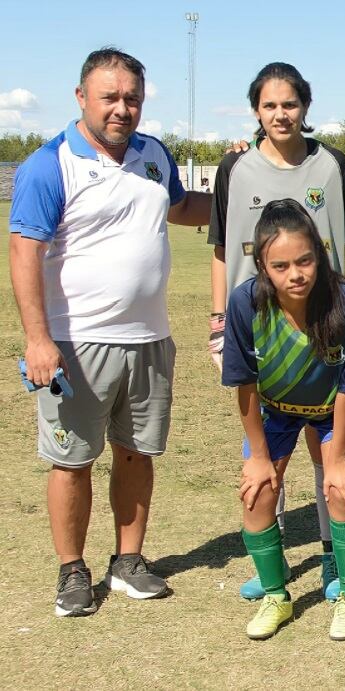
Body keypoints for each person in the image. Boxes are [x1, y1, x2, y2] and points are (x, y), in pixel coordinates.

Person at [9, 47, 210, 617]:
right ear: (81, 98)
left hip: (149, 338)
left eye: (132, 99)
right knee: (72, 460)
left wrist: (243, 198)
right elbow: (25, 252)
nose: (122, 108)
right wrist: (38, 339)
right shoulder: (50, 164)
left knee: (136, 454)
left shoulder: (153, 154)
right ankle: (72, 571)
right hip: (76, 343)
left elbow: (181, 206)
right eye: (110, 97)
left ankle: (129, 560)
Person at [208, 62, 345, 602]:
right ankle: (269, 565)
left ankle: (331, 558)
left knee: (332, 457)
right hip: (261, 329)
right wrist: (217, 321)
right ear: (256, 110)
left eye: (290, 104)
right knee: (263, 457)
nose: (281, 114)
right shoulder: (235, 167)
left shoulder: (332, 164)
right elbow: (222, 249)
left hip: (324, 327)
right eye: (270, 105)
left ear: (305, 108)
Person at [223, 199, 345, 640]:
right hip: (276, 411)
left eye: (305, 260)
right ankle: (276, 596)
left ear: (320, 255)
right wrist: (258, 457)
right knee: (257, 492)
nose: (296, 274)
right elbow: (245, 385)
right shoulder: (246, 304)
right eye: (281, 265)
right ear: (263, 266)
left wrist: (340, 458)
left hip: (335, 410)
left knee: (340, 490)